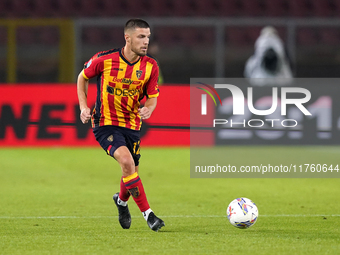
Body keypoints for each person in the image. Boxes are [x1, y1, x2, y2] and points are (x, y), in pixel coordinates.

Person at [77, 19, 164, 232]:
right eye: (141, 37)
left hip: (132, 125)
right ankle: (149, 215)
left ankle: (121, 201)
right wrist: (83, 106)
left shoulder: (150, 66)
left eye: (148, 37)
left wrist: (149, 108)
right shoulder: (104, 59)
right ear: (128, 38)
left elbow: (152, 97)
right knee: (126, 162)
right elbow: (82, 78)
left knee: (130, 170)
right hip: (105, 123)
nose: (146, 42)